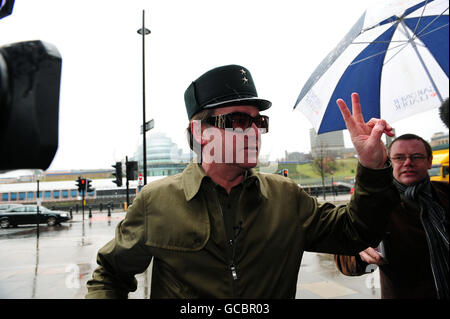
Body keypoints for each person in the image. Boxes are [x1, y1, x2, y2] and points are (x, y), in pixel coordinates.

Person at [86, 64, 399, 298]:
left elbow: (356, 232)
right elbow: (111, 274)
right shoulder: (156, 202)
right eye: (237, 121)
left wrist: (371, 167)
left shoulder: (286, 197)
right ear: (200, 132)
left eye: (258, 121)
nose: (252, 131)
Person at [334, 133, 449, 299]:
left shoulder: (445, 193)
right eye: (399, 157)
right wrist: (359, 250)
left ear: (430, 161)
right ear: (390, 162)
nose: (408, 163)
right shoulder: (375, 204)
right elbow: (345, 263)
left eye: (416, 157)